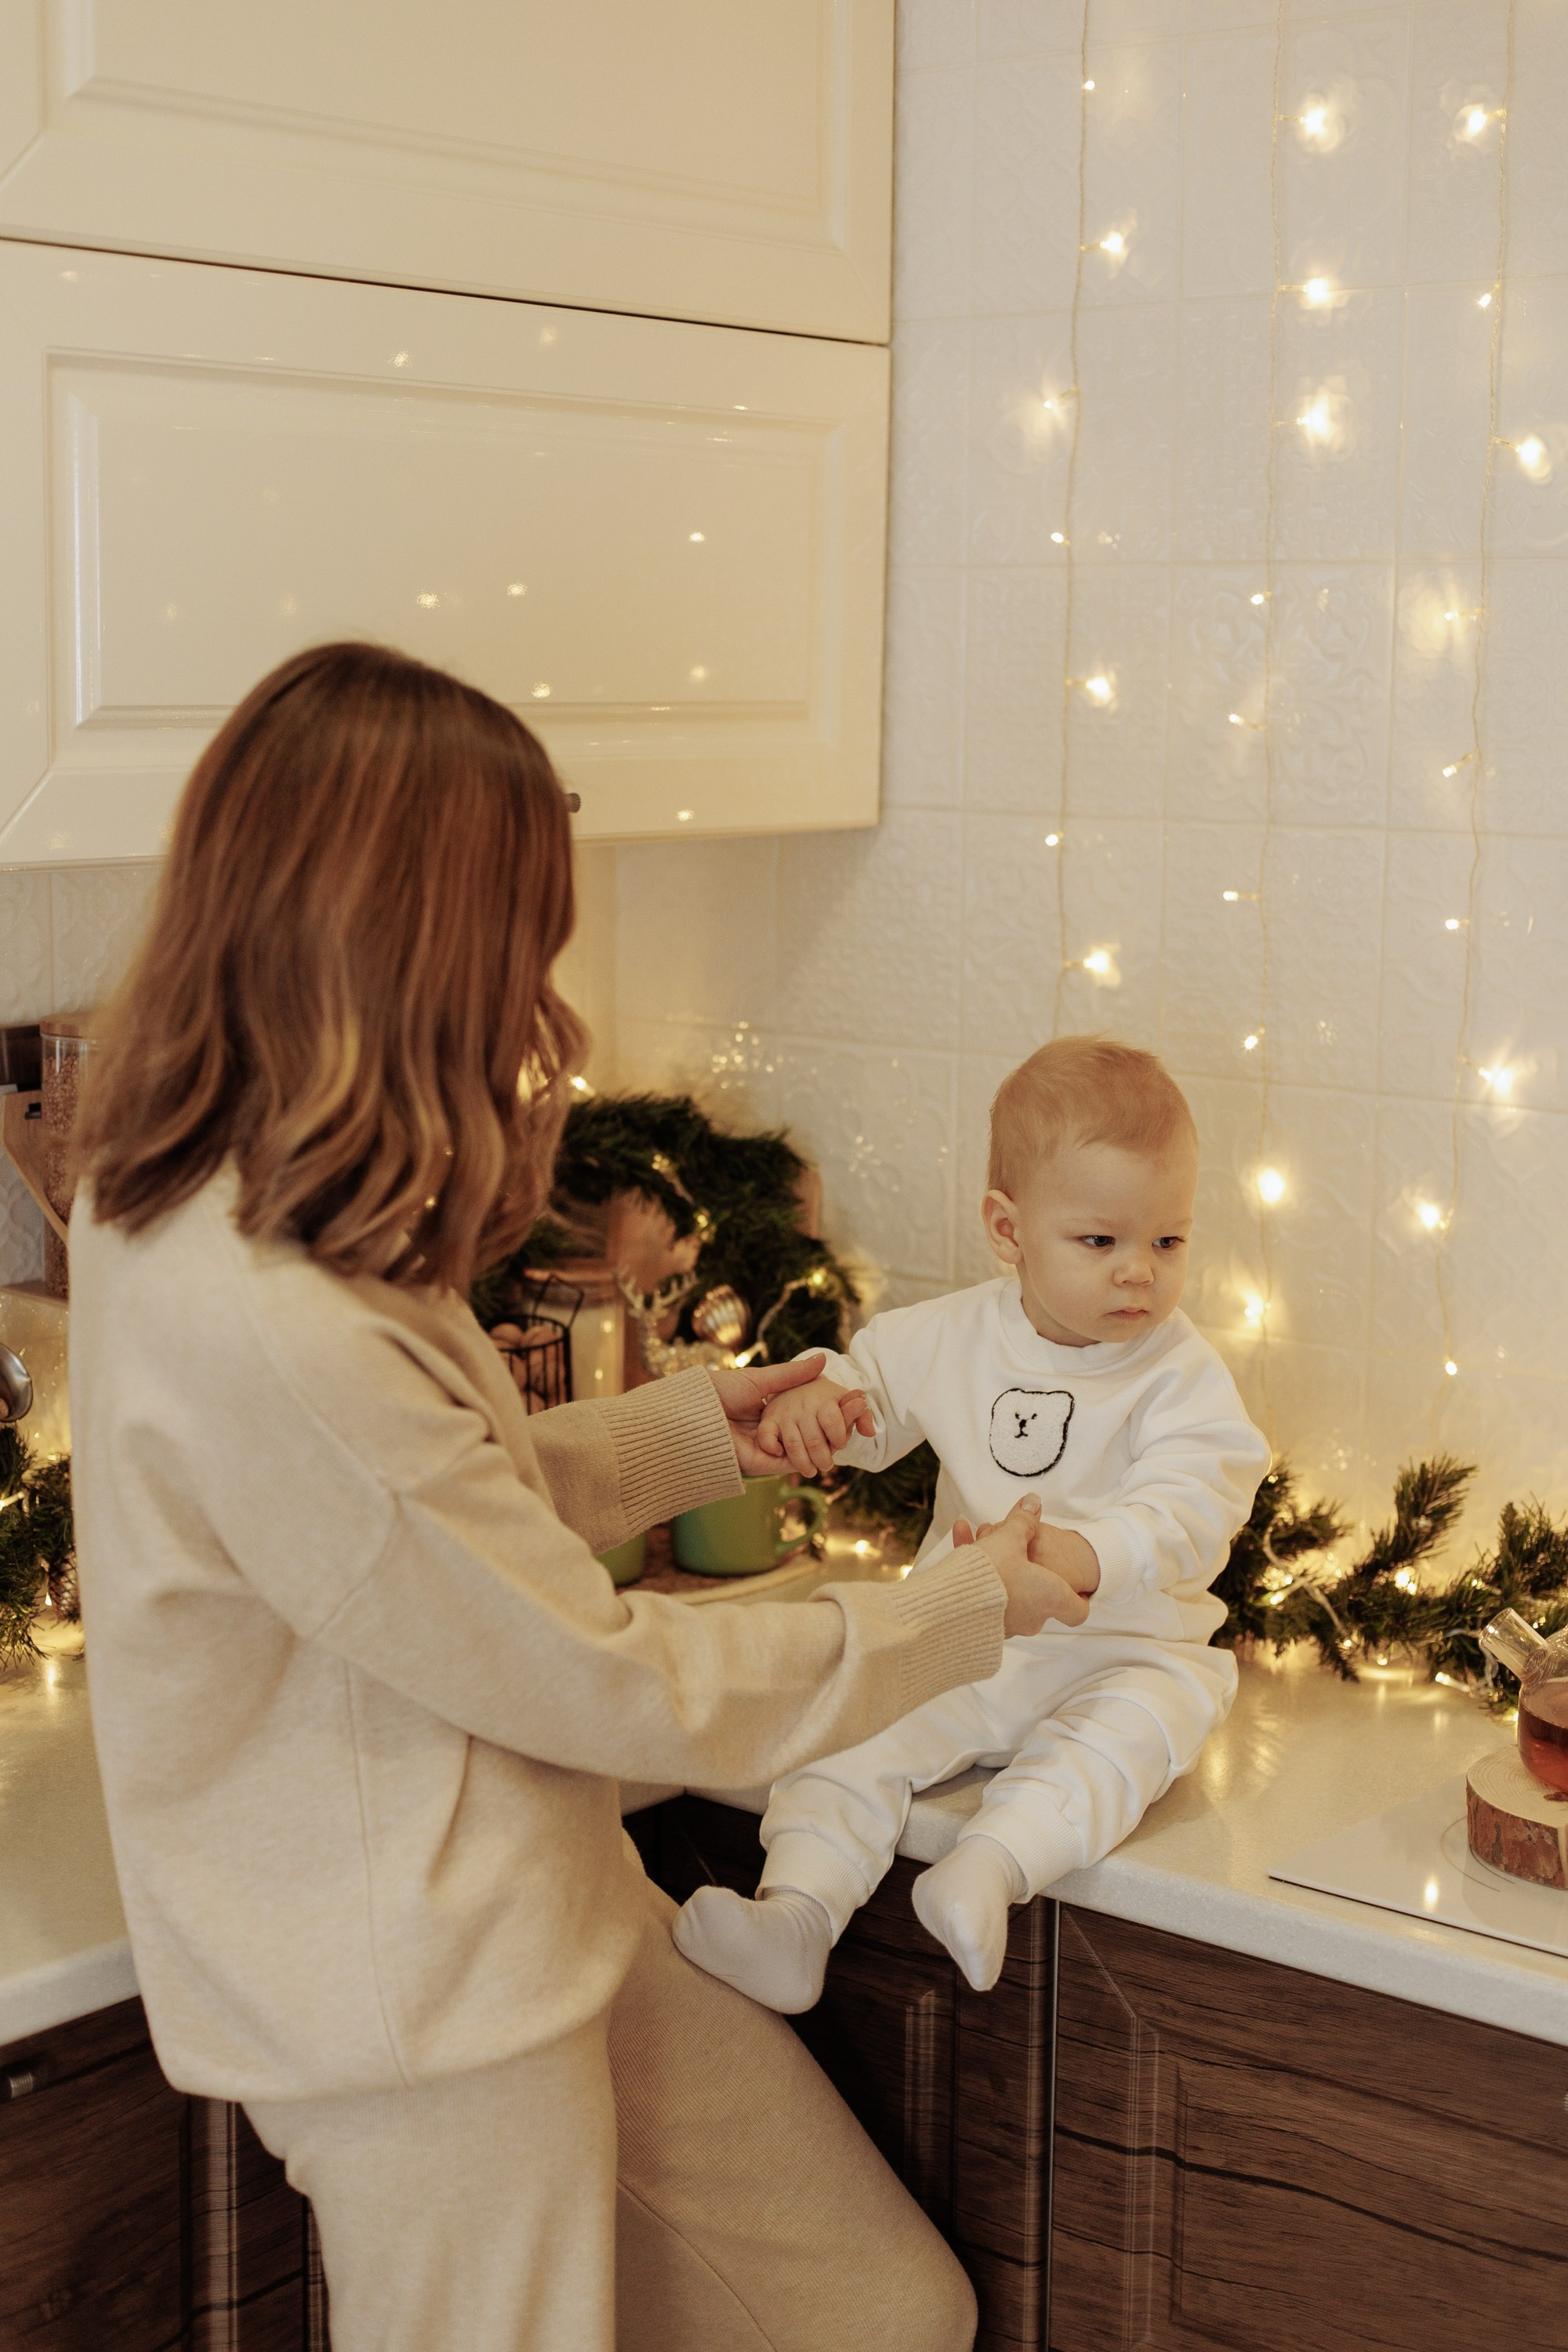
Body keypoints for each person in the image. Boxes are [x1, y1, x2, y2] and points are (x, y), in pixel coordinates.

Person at [67, 641, 1087, 2352]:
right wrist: (960, 1607)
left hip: (525, 1912)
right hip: (421, 2015)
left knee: (873, 2310)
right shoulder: (257, 1306)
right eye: (522, 940)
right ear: (405, 940)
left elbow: (414, 1521)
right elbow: (604, 1677)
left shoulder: (248, 1182)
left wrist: (698, 1435)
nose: (547, 996)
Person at [673, 1038, 1271, 2013]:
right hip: (966, 1631)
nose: (1138, 1276)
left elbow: (1197, 1502)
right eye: (1099, 1242)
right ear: (1008, 1229)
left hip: (1123, 1648)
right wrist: (817, 1407)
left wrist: (1084, 1555)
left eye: (1166, 1242)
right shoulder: (951, 1334)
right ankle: (796, 1915)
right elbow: (863, 1393)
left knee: (1128, 1736)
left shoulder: (1177, 1372)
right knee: (852, 1724)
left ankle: (988, 1869)